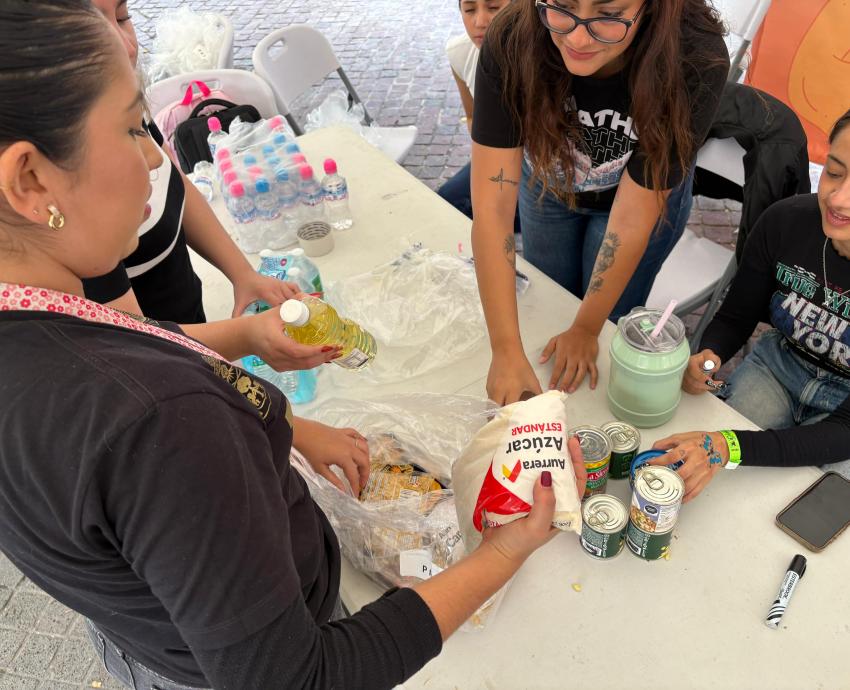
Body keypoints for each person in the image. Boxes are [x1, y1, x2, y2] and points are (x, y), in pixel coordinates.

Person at [0, 3, 586, 689]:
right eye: (133, 128)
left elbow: (134, 348)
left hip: (146, 636)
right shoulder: (160, 424)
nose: (157, 157)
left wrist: (271, 399)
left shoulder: (51, 328)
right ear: (30, 180)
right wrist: (503, 552)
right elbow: (299, 678)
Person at [470, 0, 729, 405]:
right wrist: (505, 350)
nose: (577, 38)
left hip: (637, 202)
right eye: (561, 6)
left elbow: (632, 220)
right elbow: (493, 210)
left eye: (608, 15)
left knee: (605, 325)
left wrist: (587, 329)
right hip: (548, 189)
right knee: (550, 305)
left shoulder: (694, 54)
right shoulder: (510, 37)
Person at [83, 0, 336, 376]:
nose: (128, 46)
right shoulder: (74, 210)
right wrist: (248, 336)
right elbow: (136, 341)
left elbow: (176, 184)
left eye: (123, 17)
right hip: (162, 372)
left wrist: (243, 275)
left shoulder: (121, 108)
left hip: (195, 340)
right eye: (92, 24)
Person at [648, 110, 850, 502]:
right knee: (713, 487)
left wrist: (728, 446)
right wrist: (709, 358)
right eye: (835, 172)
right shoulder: (786, 221)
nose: (838, 199)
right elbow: (736, 316)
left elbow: (844, 432)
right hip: (779, 366)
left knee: (820, 508)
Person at [437, 0, 520, 235]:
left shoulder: (547, 50)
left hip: (549, 164)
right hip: (500, 156)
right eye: (469, 10)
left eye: (493, 8)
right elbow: (472, 117)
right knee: (447, 202)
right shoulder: (459, 52)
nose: (480, 22)